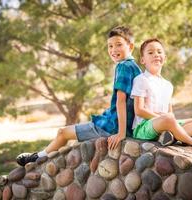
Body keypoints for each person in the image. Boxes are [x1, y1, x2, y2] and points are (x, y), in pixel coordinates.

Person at [16, 26, 142, 166]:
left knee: (62, 133)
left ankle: (37, 158)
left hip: (111, 126)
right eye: (110, 46)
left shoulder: (123, 66)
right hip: (122, 124)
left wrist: (121, 133)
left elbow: (121, 101)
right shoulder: (135, 67)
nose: (113, 50)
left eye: (119, 45)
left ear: (130, 46)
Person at [131, 38, 192, 147]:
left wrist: (170, 121)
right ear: (143, 60)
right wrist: (160, 117)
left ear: (165, 58)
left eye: (159, 52)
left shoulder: (168, 85)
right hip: (145, 126)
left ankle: (170, 137)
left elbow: (170, 113)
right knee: (168, 119)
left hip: (166, 124)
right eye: (150, 52)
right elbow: (139, 110)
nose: (156, 54)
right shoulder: (141, 79)